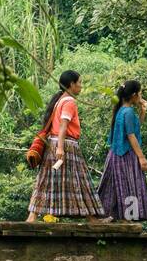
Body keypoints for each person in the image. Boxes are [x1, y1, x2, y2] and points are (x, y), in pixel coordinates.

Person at [27, 70, 107, 223]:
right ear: (71, 84)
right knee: (80, 180)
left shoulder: (59, 100)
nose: (81, 86)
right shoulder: (69, 101)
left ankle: (31, 217)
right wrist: (61, 148)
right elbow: (63, 126)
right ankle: (92, 219)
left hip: (53, 143)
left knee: (46, 180)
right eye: (79, 82)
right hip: (66, 145)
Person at [97, 79, 147, 222]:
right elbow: (131, 135)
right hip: (125, 155)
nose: (140, 96)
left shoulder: (122, 110)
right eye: (139, 93)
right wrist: (141, 157)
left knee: (115, 186)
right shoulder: (127, 111)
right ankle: (129, 218)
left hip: (116, 154)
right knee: (129, 185)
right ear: (133, 95)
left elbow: (134, 127)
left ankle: (111, 216)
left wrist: (142, 111)